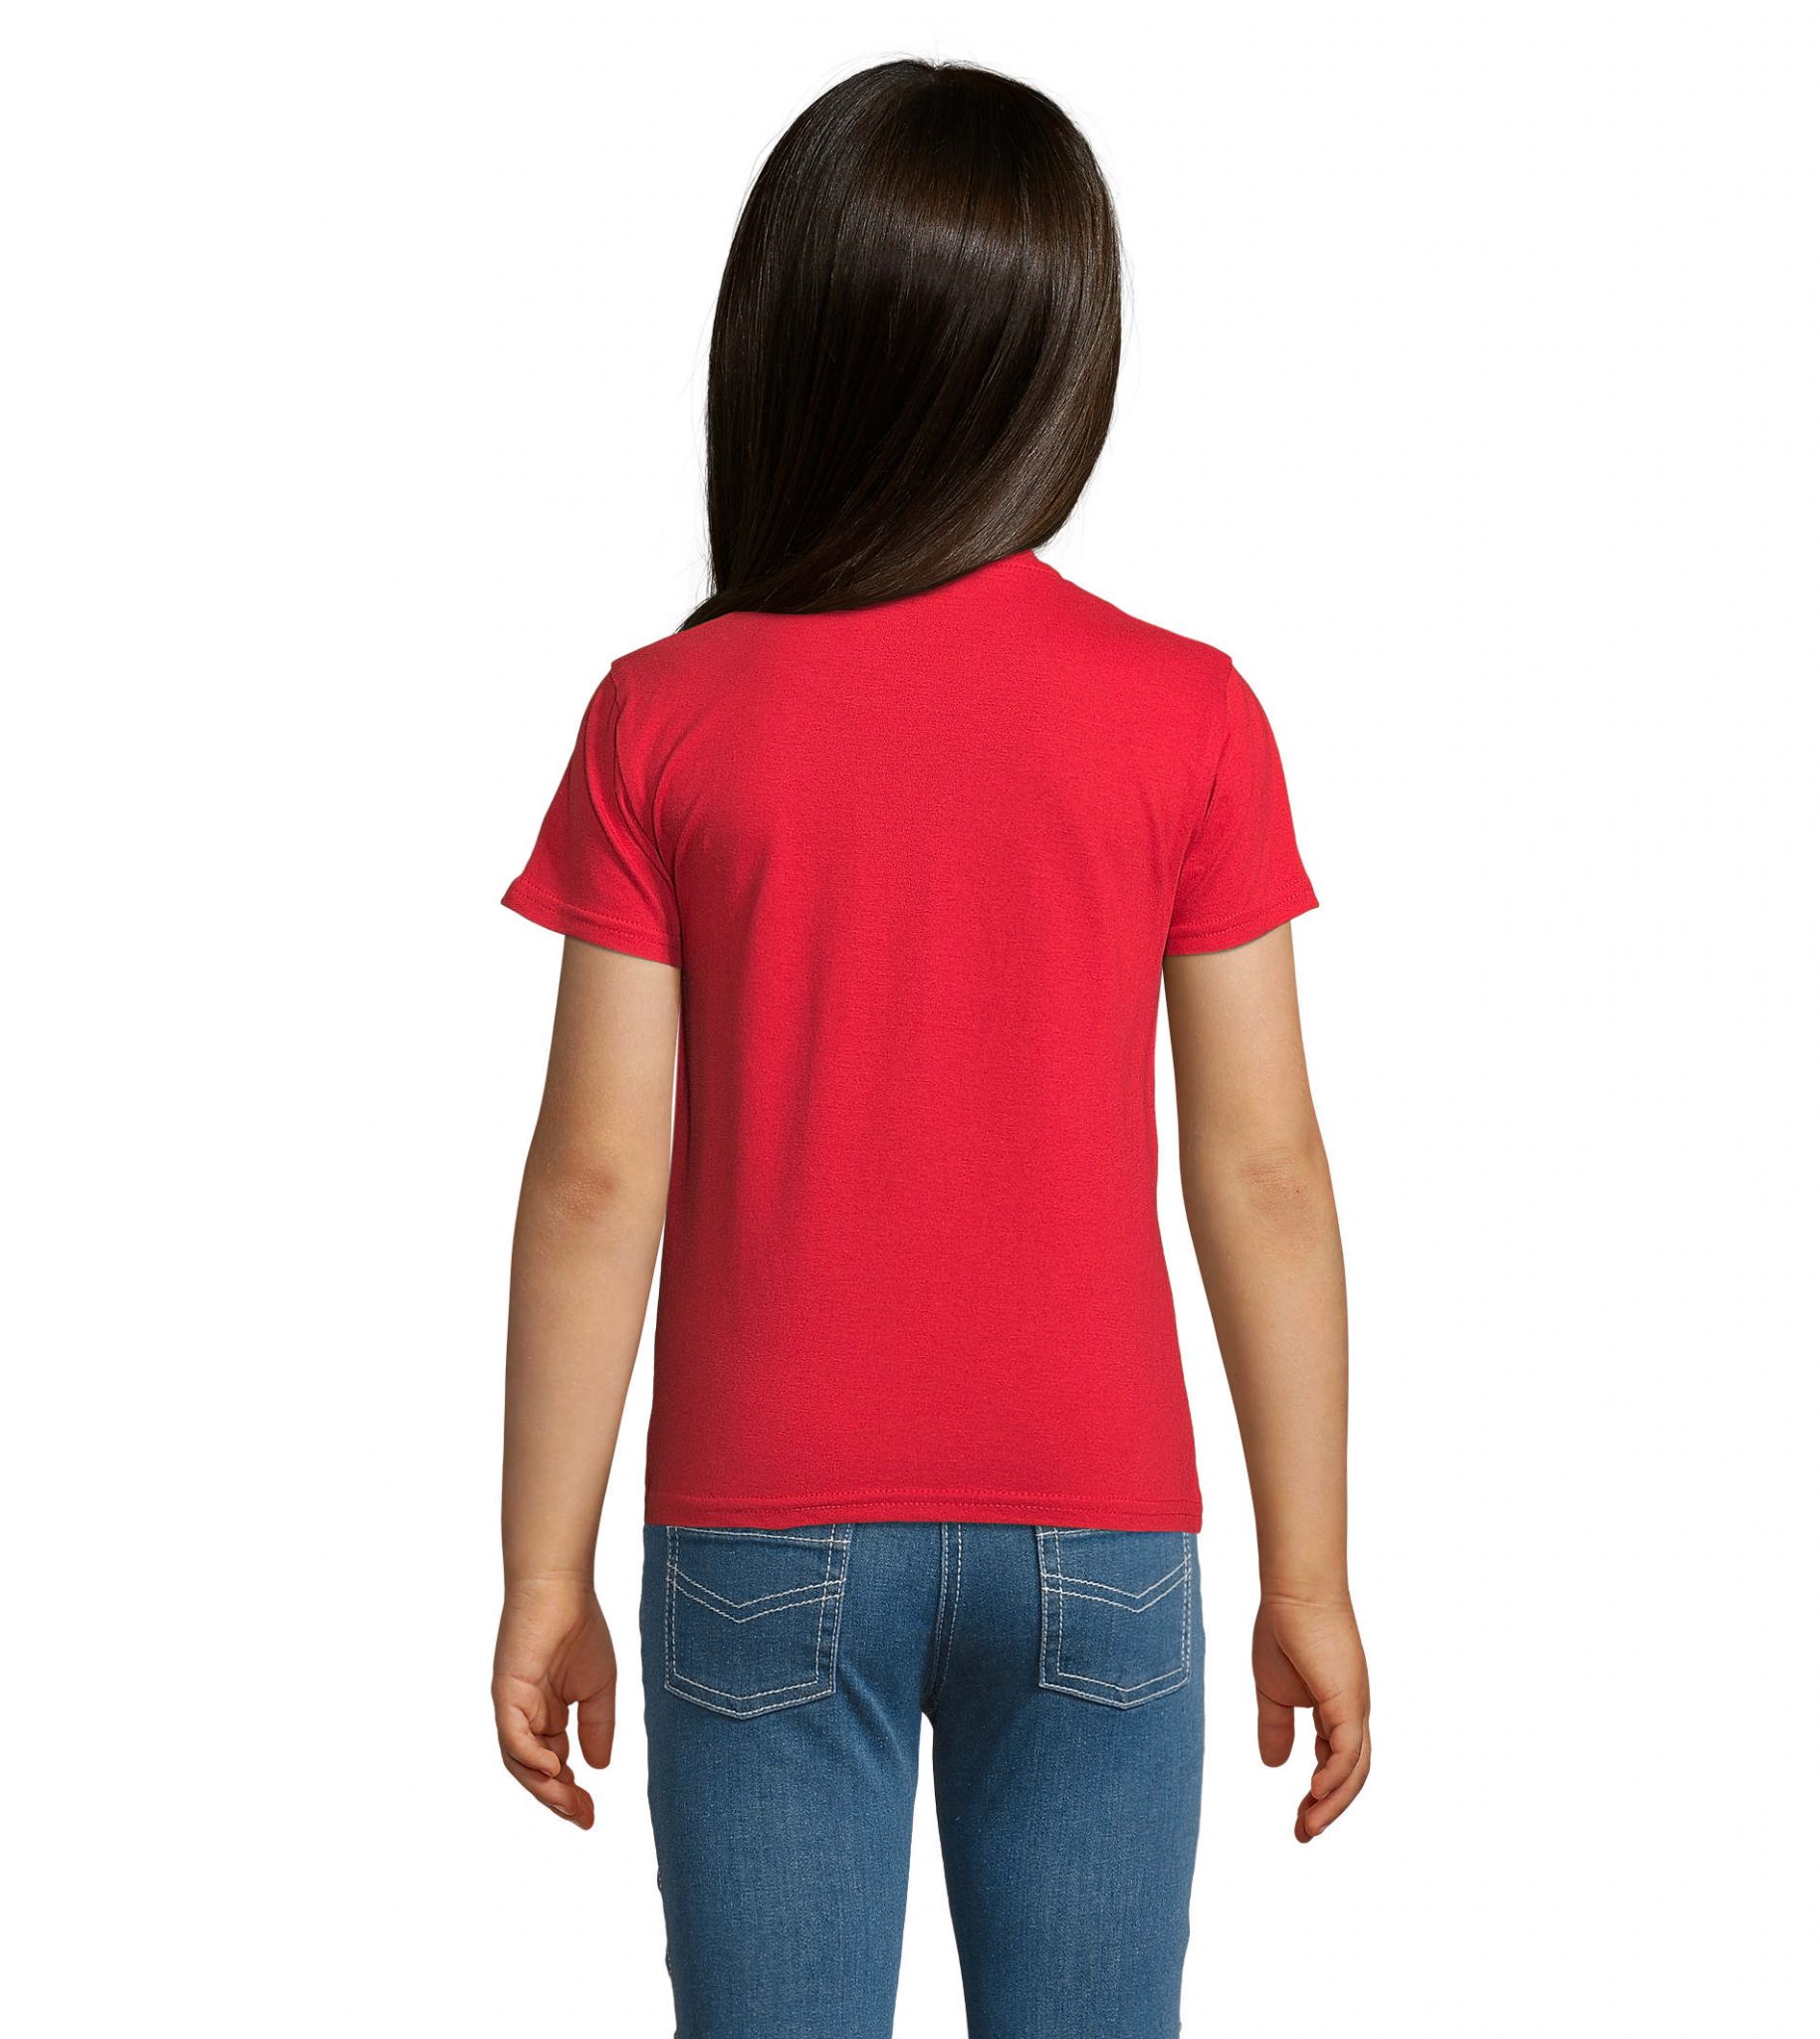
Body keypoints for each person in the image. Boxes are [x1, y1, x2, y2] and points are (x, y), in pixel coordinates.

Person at [491, 58, 1369, 2039]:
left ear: (783, 345)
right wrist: (1306, 1569)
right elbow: (1262, 1170)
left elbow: (596, 1175)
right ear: (1063, 364)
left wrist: (545, 1566)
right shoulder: (1188, 715)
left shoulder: (663, 717)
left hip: (760, 1525)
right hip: (1100, 1523)